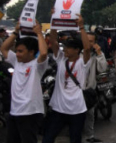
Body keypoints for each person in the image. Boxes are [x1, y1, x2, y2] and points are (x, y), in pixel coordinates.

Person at [43, 15, 93, 143]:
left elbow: (87, 48)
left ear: (77, 50)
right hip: (59, 109)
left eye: (68, 47)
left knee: (75, 139)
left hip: (77, 109)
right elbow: (53, 42)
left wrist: (81, 27)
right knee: (48, 138)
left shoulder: (83, 63)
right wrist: (53, 21)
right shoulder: (61, 59)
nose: (64, 49)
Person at [0, 22, 48, 143]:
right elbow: (4, 48)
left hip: (30, 112)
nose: (17, 54)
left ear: (31, 52)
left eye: (21, 51)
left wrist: (39, 33)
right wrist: (15, 32)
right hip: (15, 111)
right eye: (16, 51)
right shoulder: (16, 62)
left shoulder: (37, 65)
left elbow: (43, 53)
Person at [84, 32, 108, 143]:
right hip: (75, 91)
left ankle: (90, 136)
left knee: (90, 115)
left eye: (91, 41)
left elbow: (103, 68)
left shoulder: (96, 55)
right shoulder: (76, 53)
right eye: (86, 40)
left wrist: (99, 53)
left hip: (89, 91)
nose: (89, 43)